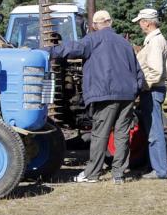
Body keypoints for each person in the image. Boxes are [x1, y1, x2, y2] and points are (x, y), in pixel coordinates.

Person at [45, 10, 144, 184]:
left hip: (105, 95)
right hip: (127, 95)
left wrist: (47, 51)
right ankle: (119, 174)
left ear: (95, 25)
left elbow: (71, 48)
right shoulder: (125, 43)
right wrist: (135, 90)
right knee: (121, 135)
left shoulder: (93, 39)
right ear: (110, 22)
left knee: (100, 135)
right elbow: (138, 71)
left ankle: (92, 174)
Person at [132, 8, 167, 179]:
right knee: (152, 130)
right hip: (153, 90)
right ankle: (155, 166)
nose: (140, 25)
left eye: (141, 21)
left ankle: (160, 170)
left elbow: (155, 71)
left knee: (155, 132)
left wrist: (142, 87)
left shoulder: (154, 42)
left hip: (152, 90)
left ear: (147, 22)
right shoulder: (154, 40)